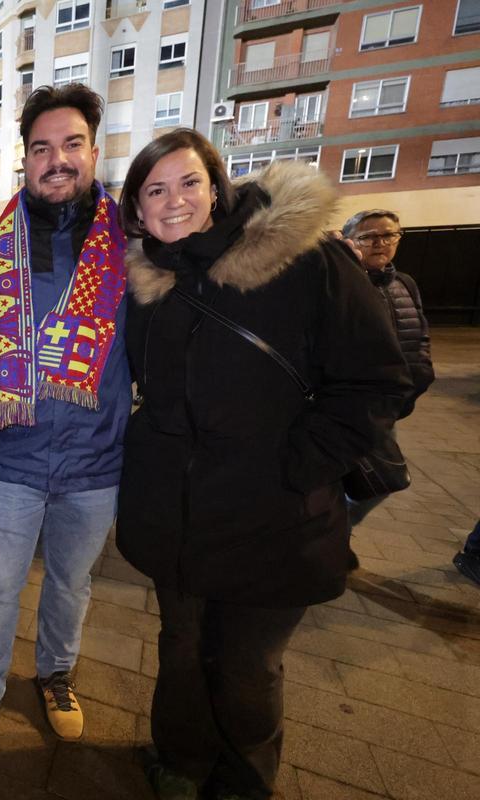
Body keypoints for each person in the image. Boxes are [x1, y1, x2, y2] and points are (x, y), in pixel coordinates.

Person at [115, 129, 411, 800]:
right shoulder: (148, 284)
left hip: (274, 516)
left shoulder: (304, 263)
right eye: (154, 189)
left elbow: (377, 381)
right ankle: (181, 759)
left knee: (246, 666)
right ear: (136, 208)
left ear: (218, 188)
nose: (174, 200)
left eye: (189, 182)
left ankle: (244, 780)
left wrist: (300, 464)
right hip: (178, 517)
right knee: (183, 647)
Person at [0, 83, 131, 756]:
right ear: (24, 159)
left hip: (94, 462)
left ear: (92, 150)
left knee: (71, 581)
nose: (57, 159)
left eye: (71, 144)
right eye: (41, 147)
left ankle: (56, 674)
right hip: (12, 460)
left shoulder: (129, 248)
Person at [340, 209, 434, 524]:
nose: (380, 243)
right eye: (369, 236)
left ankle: (333, 539)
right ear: (349, 241)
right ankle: (332, 538)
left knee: (373, 480)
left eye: (389, 235)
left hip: (393, 403)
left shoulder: (405, 283)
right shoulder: (341, 283)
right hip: (354, 406)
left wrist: (421, 375)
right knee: (375, 482)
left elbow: (418, 334)